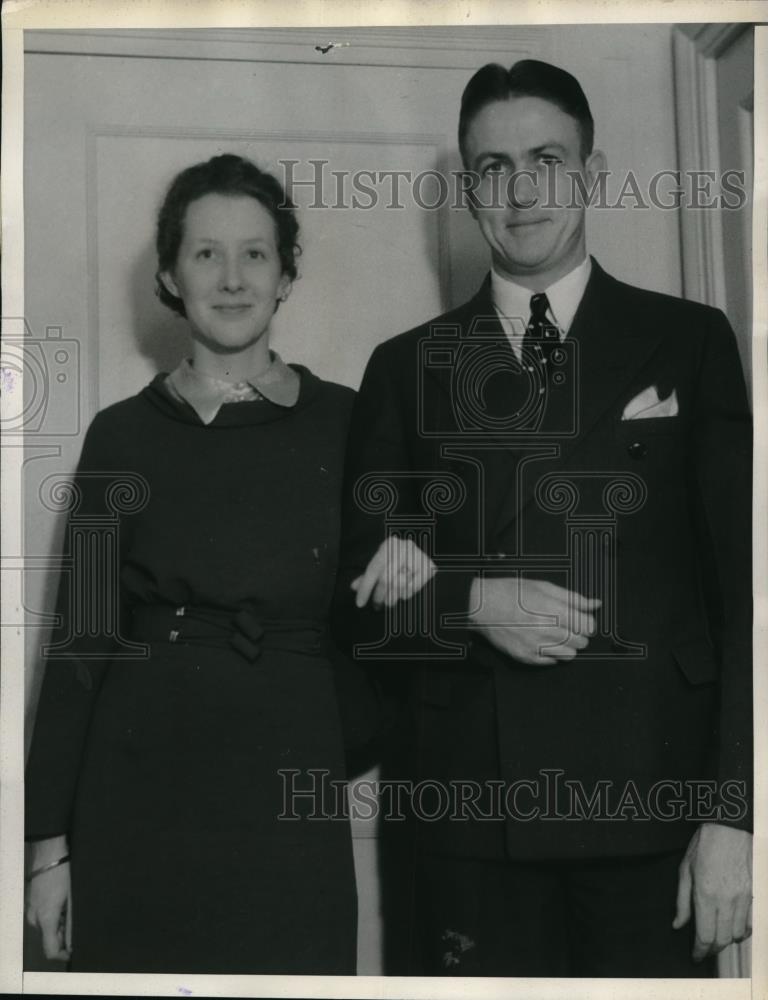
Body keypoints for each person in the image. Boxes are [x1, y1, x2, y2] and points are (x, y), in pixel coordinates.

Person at [333, 60, 753, 977]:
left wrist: (736, 813)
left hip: (655, 809)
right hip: (471, 820)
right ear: (469, 190)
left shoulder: (690, 340)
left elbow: (747, 595)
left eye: (546, 160)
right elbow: (361, 603)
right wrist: (475, 601)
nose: (520, 192)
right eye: (492, 167)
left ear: (591, 176)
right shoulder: (405, 368)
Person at [25, 153, 367, 974]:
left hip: (290, 799)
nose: (232, 277)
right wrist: (47, 852)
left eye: (255, 253)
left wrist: (324, 737)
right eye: (205, 253)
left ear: (286, 274)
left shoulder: (350, 425)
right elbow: (79, 651)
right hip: (136, 797)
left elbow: (391, 624)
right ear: (172, 275)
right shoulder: (121, 436)